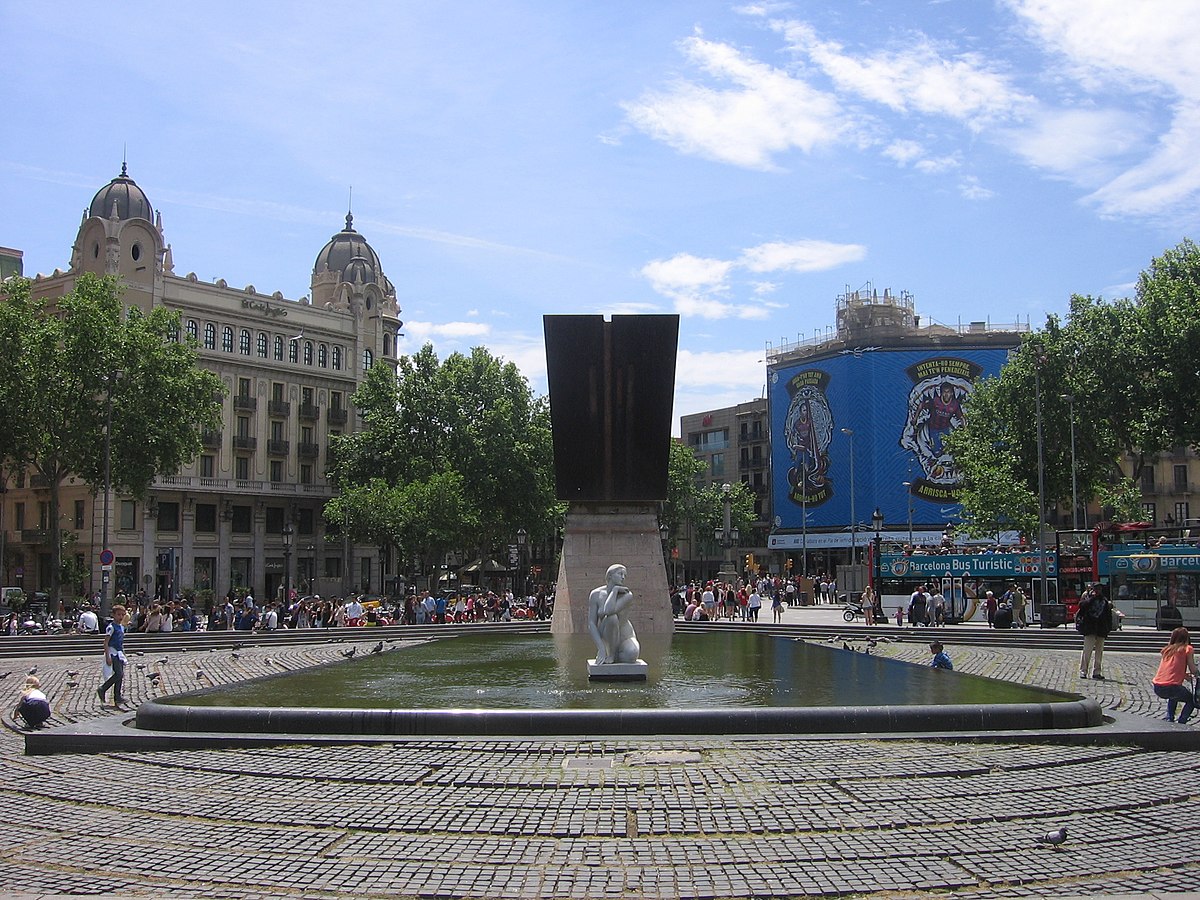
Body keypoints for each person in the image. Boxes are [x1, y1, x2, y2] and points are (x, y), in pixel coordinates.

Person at [587, 563, 640, 665]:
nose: (623, 577)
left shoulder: (627, 595)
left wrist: (615, 590)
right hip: (607, 635)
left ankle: (614, 654)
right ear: (610, 576)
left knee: (631, 655)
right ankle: (610, 653)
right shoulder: (596, 594)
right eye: (620, 574)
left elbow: (608, 610)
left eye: (625, 575)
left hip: (625, 636)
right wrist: (601, 648)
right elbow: (592, 623)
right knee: (612, 618)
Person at [1151, 627, 1196, 724]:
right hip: (1172, 686)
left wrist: (1183, 675)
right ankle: (1182, 722)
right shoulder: (1187, 649)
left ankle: (1169, 718)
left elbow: (1171, 668)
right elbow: (1193, 669)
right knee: (1192, 701)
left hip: (1157, 686)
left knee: (1173, 697)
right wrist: (1197, 674)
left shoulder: (1167, 650)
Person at [1077, 583, 1113, 680]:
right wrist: (1091, 598)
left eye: (1100, 589)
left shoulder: (1104, 601)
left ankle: (1097, 672)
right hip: (1090, 628)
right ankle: (1083, 671)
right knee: (1087, 651)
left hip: (1101, 629)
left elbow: (1108, 615)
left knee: (1099, 652)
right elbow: (1081, 606)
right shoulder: (1087, 598)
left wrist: (1107, 629)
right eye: (1096, 589)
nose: (1098, 591)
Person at [97, 604, 129, 707]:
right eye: (118, 614)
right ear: (113, 615)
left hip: (119, 653)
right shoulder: (111, 627)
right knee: (118, 674)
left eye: (122, 615)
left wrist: (123, 654)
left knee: (120, 675)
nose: (120, 617)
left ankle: (117, 696)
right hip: (112, 653)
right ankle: (103, 688)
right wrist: (107, 656)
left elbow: (121, 642)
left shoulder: (121, 627)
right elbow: (105, 642)